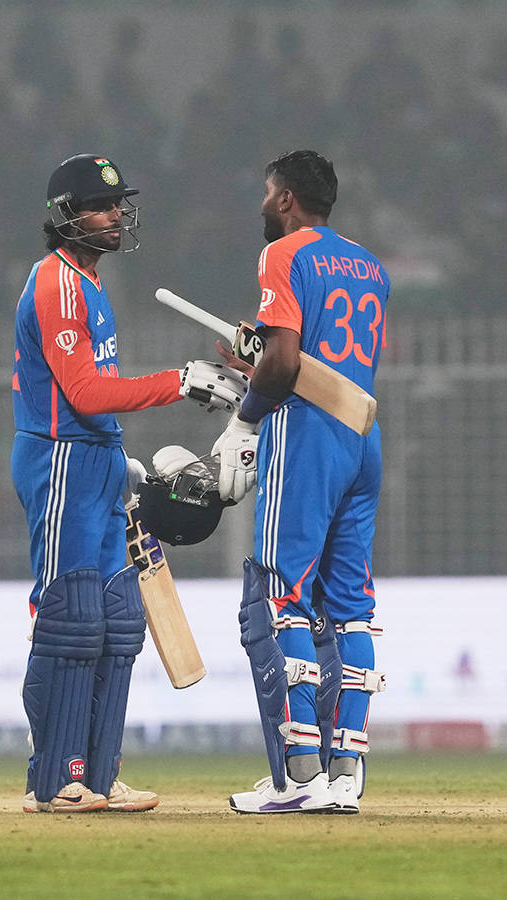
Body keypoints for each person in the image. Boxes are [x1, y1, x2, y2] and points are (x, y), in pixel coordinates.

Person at [12, 153, 240, 812]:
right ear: (65, 216)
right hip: (59, 461)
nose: (115, 214)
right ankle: (55, 781)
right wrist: (179, 381)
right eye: (100, 205)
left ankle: (99, 776)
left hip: (97, 459)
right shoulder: (55, 283)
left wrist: (121, 458)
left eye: (117, 204)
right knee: (71, 618)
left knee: (117, 623)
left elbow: (97, 399)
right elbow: (82, 393)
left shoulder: (89, 284)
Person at [212, 150, 389, 814]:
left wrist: (245, 416)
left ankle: (299, 774)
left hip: (308, 433)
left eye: (266, 193)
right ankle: (345, 773)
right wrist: (256, 356)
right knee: (353, 604)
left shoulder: (282, 256)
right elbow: (315, 352)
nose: (263, 204)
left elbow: (285, 364)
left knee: (284, 595)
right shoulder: (370, 265)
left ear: (286, 199)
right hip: (362, 432)